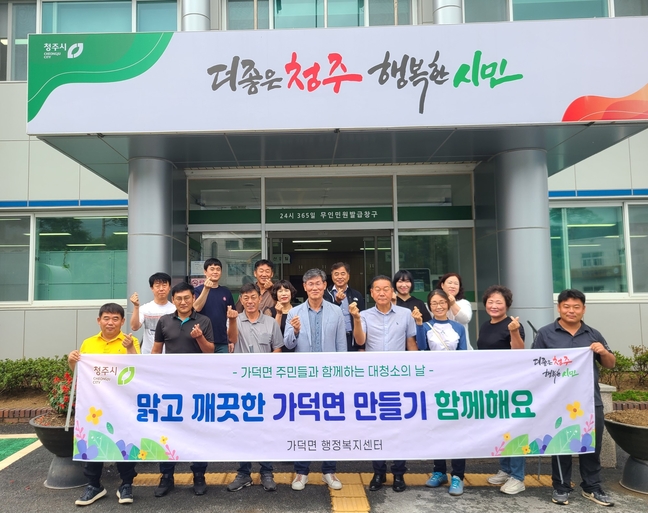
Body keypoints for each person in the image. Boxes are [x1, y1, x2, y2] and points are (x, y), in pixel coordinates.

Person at [532, 289, 615, 507]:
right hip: (557, 401)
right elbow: (534, 365)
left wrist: (603, 352)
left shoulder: (593, 334)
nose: (571, 310)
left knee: (592, 444)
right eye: (567, 306)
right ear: (559, 308)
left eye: (576, 307)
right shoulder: (545, 334)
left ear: (583, 309)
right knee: (560, 443)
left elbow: (610, 363)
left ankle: (592, 487)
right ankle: (561, 487)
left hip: (589, 401)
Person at [350, 275, 417, 493]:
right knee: (376, 427)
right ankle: (378, 472)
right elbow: (360, 341)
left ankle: (399, 473)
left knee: (399, 427)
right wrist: (356, 319)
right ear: (371, 293)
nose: (381, 293)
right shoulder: (364, 315)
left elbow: (411, 344)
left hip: (398, 379)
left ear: (392, 291)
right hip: (374, 380)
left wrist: (417, 373)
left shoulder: (405, 314)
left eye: (386, 289)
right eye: (377, 289)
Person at [68, 303, 140, 506]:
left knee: (125, 441)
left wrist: (130, 348)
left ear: (123, 321)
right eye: (106, 318)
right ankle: (94, 485)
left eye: (115, 319)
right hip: (94, 406)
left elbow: (138, 369)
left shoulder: (130, 340)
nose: (110, 323)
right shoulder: (88, 343)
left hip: (123, 404)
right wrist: (72, 361)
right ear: (98, 320)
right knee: (93, 440)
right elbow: (80, 371)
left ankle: (126, 484)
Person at [284, 268, 347, 491]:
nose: (314, 287)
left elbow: (341, 346)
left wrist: (341, 375)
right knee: (304, 424)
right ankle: (301, 472)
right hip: (304, 377)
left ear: (324, 285)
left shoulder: (336, 311)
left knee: (330, 424)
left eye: (318, 283)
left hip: (330, 376)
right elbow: (288, 344)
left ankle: (329, 471)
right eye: (310, 284)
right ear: (304, 287)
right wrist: (295, 331)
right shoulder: (294, 312)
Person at [152, 282, 215, 497]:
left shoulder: (204, 321)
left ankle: (199, 475)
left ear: (193, 298)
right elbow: (156, 351)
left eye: (187, 298)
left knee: (197, 430)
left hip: (197, 385)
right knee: (168, 430)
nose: (183, 302)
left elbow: (210, 352)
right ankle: (166, 476)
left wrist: (200, 338)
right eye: (178, 298)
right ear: (173, 300)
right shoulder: (164, 321)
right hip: (170, 385)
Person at [226, 283, 283, 492]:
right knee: (243, 429)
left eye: (253, 297)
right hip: (242, 385)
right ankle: (244, 473)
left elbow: (278, 348)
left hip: (265, 384)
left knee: (265, 428)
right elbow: (231, 339)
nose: (250, 301)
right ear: (241, 300)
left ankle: (267, 471)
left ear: (260, 299)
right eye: (245, 298)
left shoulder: (270, 322)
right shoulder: (234, 320)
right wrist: (233, 320)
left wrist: (265, 367)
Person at [413, 289, 467, 496]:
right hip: (434, 384)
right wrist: (419, 325)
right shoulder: (426, 326)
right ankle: (439, 471)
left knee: (457, 429)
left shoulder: (458, 327)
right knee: (437, 428)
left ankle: (458, 475)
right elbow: (421, 348)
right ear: (429, 306)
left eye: (442, 302)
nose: (438, 306)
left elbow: (463, 354)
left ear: (448, 304)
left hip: (455, 384)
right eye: (434, 303)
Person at [477, 285, 526, 496]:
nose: (494, 305)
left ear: (507, 305)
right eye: (490, 302)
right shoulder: (485, 325)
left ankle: (518, 477)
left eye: (499, 302)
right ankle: (506, 469)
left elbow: (519, 351)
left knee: (514, 428)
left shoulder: (513, 325)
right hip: (492, 383)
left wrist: (514, 331)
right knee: (501, 428)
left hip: (511, 383)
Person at [194, 258, 235, 353]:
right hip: (202, 339)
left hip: (222, 341)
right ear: (205, 272)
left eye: (218, 269)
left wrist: (230, 340)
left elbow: (231, 318)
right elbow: (197, 308)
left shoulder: (226, 292)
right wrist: (206, 289)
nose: (215, 272)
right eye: (212, 269)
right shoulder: (197, 290)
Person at [129, 272, 175, 354]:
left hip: (170, 353)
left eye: (164, 285)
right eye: (157, 286)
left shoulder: (175, 309)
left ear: (169, 287)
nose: (161, 289)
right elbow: (134, 327)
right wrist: (136, 306)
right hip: (148, 353)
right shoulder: (145, 308)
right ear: (152, 288)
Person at [324, 262, 366, 351]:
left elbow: (362, 320)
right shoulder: (325, 294)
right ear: (332, 276)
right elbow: (326, 316)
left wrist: (362, 347)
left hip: (352, 338)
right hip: (332, 338)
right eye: (336, 274)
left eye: (343, 274)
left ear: (348, 276)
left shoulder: (356, 294)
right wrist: (337, 302)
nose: (339, 277)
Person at [438, 272, 474, 350]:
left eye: (456, 284)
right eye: (449, 283)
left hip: (462, 348)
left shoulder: (464, 303)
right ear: (442, 285)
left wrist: (453, 304)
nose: (452, 286)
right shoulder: (436, 303)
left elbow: (465, 319)